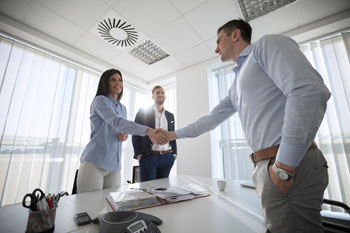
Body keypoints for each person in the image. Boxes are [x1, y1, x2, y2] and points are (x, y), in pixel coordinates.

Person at [153, 19, 331, 233]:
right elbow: (210, 120)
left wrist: (284, 167)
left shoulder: (265, 47)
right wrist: (171, 135)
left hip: (288, 164)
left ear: (235, 35)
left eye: (219, 41)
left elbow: (308, 92)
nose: (216, 48)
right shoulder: (237, 85)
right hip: (268, 165)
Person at [77, 69, 167, 193]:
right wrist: (148, 130)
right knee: (90, 207)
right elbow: (117, 122)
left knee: (111, 207)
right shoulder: (100, 100)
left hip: (114, 167)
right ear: (106, 83)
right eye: (113, 80)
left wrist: (123, 136)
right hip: (95, 163)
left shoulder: (122, 108)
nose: (118, 82)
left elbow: (121, 128)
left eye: (120, 80)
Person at [132, 86, 177, 182]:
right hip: (149, 157)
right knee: (148, 190)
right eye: (157, 92)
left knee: (163, 190)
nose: (160, 94)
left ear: (165, 97)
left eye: (162, 93)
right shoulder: (143, 112)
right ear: (153, 96)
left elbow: (173, 134)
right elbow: (135, 133)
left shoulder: (170, 115)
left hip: (167, 157)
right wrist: (138, 154)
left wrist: (174, 153)